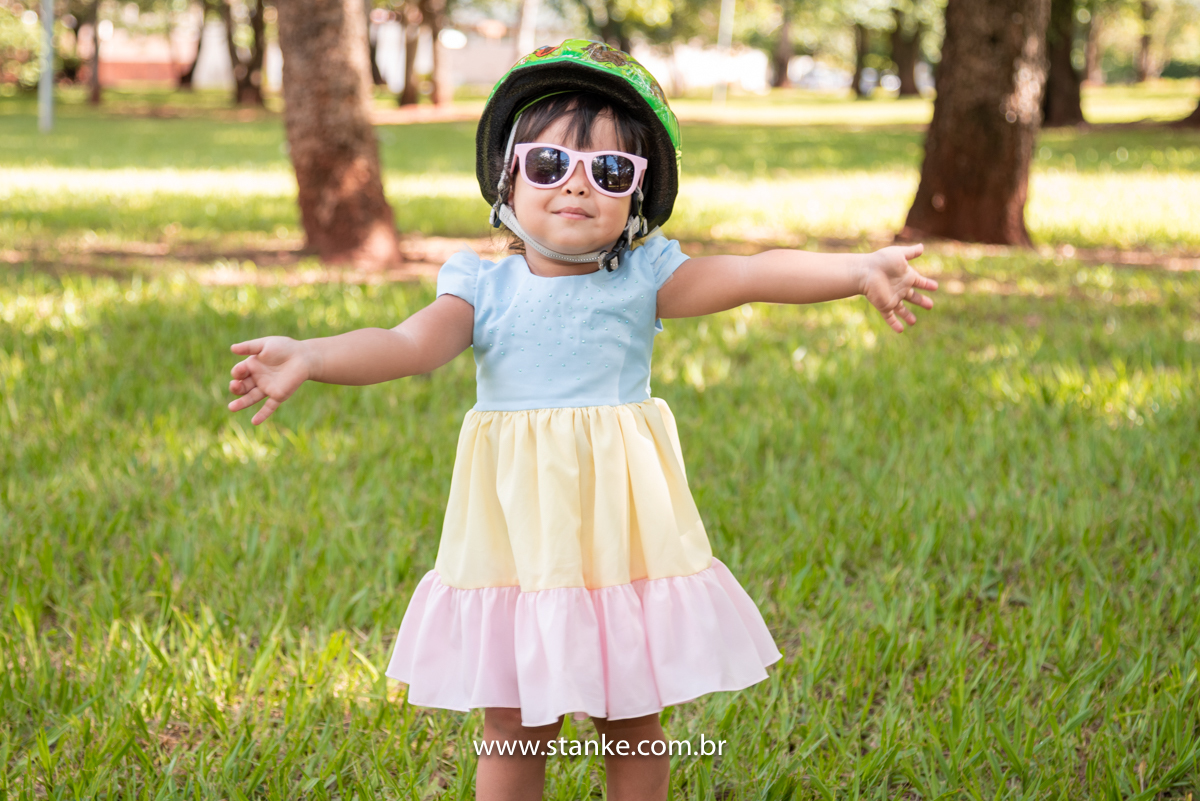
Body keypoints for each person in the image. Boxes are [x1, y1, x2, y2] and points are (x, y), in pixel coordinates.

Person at [226, 38, 937, 801]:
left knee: (631, 713)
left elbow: (751, 273)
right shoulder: (480, 289)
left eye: (608, 171)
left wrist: (858, 269)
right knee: (513, 720)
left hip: (619, 536)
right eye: (547, 164)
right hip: (516, 541)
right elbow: (404, 345)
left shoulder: (645, 279)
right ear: (508, 178)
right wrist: (312, 354)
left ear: (636, 197)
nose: (576, 186)